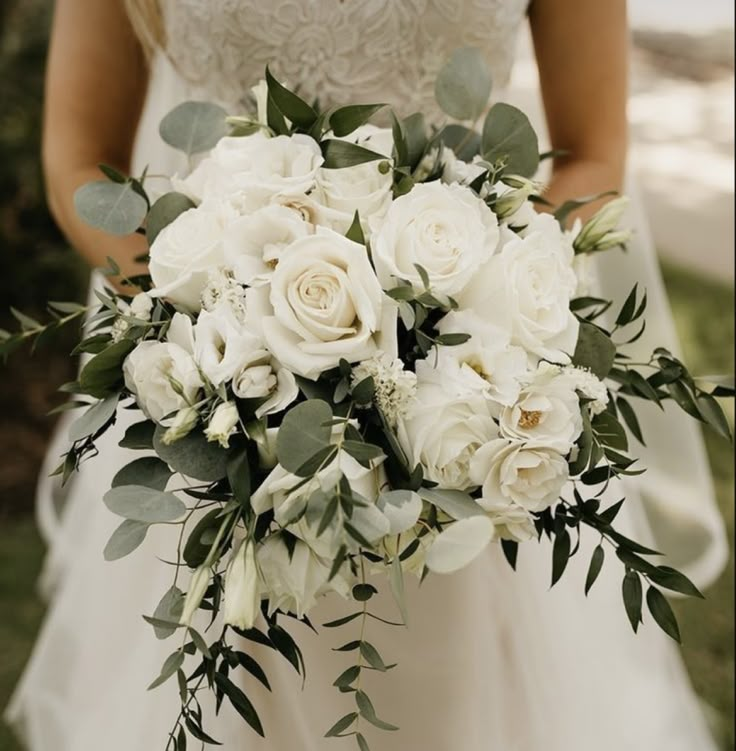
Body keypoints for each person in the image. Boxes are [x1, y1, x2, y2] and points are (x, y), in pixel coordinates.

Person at [6, 1, 727, 749]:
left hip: (462, 407)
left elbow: (594, 150)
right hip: (227, 396)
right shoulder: (217, 354)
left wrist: (469, 320)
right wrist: (211, 331)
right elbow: (79, 154)